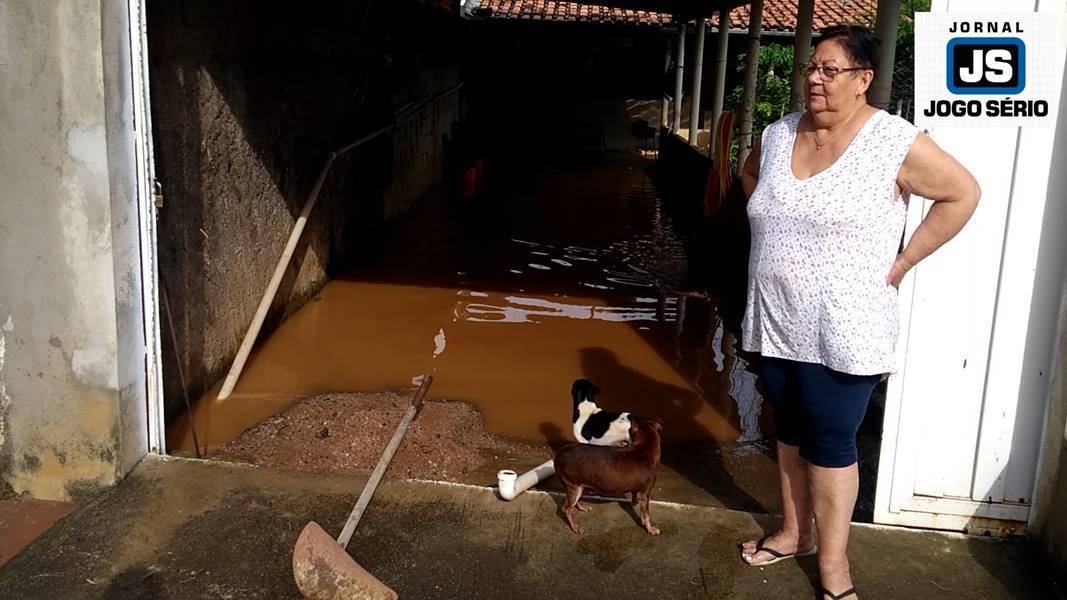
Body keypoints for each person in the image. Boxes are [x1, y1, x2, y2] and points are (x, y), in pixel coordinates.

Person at [736, 25, 981, 600]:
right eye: (811, 68)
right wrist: (776, 228)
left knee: (830, 442)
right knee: (788, 429)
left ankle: (835, 566)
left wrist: (905, 259)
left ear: (862, 79)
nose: (814, 79)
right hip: (776, 316)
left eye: (830, 70)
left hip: (846, 325)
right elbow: (750, 176)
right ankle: (794, 533)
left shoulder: (892, 141)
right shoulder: (778, 134)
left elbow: (962, 192)